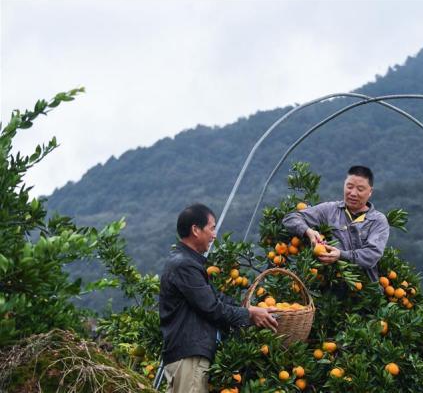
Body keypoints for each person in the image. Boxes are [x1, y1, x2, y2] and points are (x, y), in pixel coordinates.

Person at [159, 203, 278, 393]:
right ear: (196, 230)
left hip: (188, 354)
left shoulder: (187, 262)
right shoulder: (184, 265)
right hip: (190, 355)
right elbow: (211, 307)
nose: (214, 235)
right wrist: (249, 314)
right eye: (212, 228)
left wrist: (248, 308)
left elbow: (215, 297)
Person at [283, 165, 389, 282]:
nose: (353, 193)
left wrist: (341, 255)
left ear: (370, 192)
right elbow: (291, 218)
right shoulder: (330, 210)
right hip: (331, 291)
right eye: (349, 187)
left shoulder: (378, 221)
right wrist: (308, 231)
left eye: (360, 189)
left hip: (366, 293)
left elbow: (371, 255)